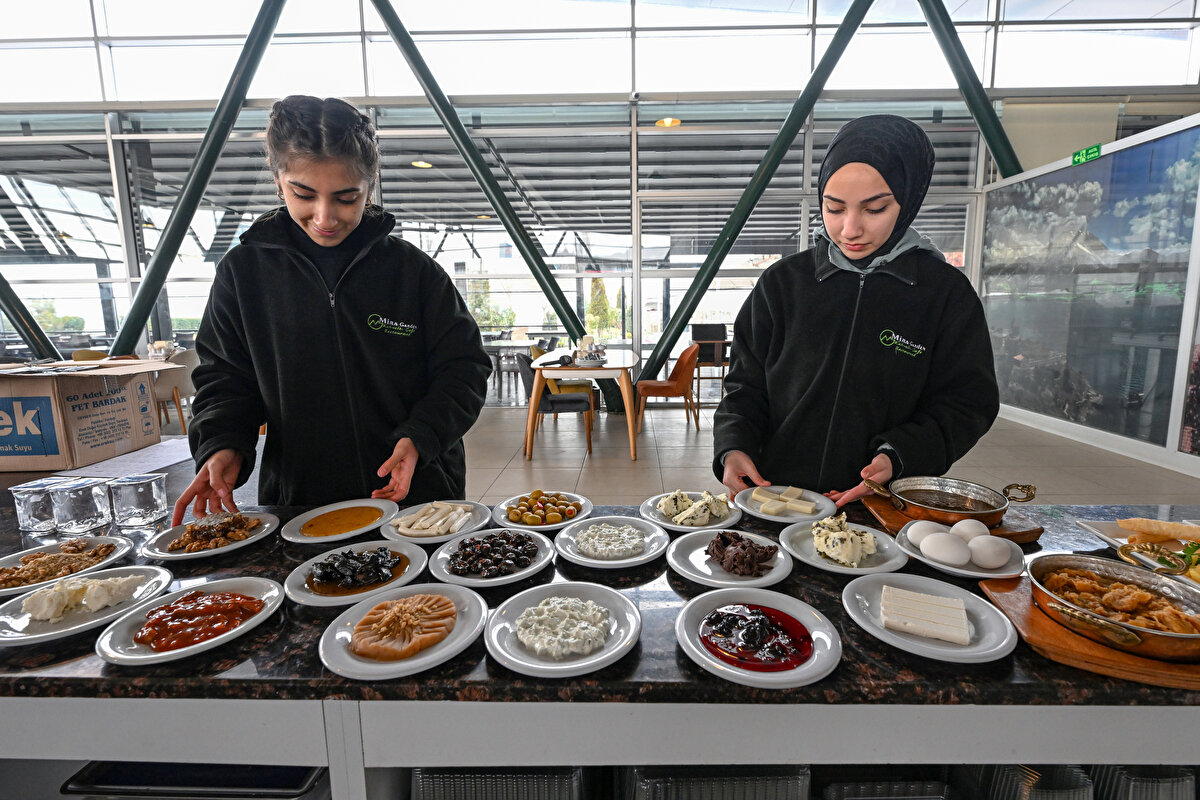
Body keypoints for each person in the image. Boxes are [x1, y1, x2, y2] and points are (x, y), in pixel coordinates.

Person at [172, 95, 492, 524]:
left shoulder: (413, 272)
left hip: (418, 498)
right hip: (301, 500)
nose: (325, 217)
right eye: (303, 194)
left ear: (370, 186)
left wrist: (421, 437)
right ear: (276, 179)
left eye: (346, 198)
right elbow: (225, 379)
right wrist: (222, 444)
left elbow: (465, 368)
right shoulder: (243, 274)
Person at [713, 114, 999, 507]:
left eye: (875, 209)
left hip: (879, 501)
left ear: (909, 199)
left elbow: (968, 403)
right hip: (774, 496)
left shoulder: (944, 294)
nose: (849, 229)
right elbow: (745, 385)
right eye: (833, 208)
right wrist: (733, 446)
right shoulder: (783, 284)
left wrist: (899, 455)